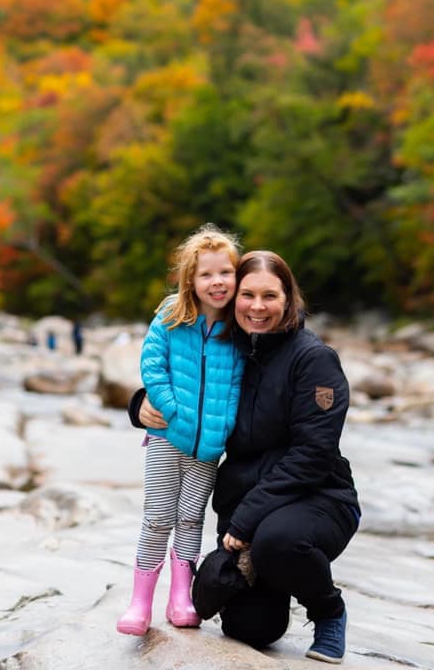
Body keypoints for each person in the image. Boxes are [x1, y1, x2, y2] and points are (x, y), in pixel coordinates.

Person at [130, 250, 360, 664]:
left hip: (316, 498)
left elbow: (313, 454)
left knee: (279, 543)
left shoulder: (313, 359)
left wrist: (247, 518)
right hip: (248, 508)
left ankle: (328, 610)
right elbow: (188, 384)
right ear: (232, 297)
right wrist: (139, 405)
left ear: (289, 299)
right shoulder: (232, 347)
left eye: (269, 296)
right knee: (250, 627)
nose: (257, 307)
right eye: (247, 295)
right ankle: (279, 573)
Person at [117, 224, 244, 636]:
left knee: (191, 520)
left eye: (225, 272)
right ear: (191, 278)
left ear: (236, 275)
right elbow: (152, 364)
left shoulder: (237, 328)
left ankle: (180, 597)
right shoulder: (173, 314)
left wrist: (222, 428)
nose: (217, 282)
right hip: (165, 438)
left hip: (208, 447)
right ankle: (139, 603)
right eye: (206, 274)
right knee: (157, 517)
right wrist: (169, 409)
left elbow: (239, 385)